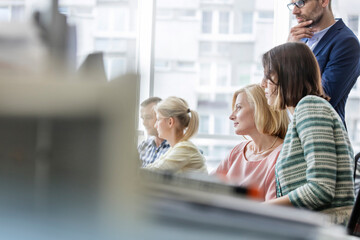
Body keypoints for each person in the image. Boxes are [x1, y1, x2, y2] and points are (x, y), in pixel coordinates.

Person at [261, 42, 355, 225]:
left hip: (326, 228)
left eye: (268, 75)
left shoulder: (309, 107)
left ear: (288, 74)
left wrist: (261, 209)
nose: (262, 83)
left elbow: (321, 188)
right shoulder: (304, 112)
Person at [287, 0, 360, 127]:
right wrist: (288, 49)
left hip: (320, 136)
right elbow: (271, 84)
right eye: (292, 4)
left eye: (300, 2)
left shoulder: (346, 43)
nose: (294, 11)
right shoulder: (298, 38)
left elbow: (321, 101)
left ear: (324, 1)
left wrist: (292, 54)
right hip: (290, 133)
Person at [213, 84, 288, 201]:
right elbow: (207, 187)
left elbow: (272, 212)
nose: (231, 116)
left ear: (260, 109)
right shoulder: (237, 151)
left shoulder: (282, 155)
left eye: (238, 107)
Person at [145, 96, 207, 174]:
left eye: (158, 119)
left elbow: (152, 172)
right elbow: (151, 167)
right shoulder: (176, 147)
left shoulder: (185, 149)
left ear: (170, 122)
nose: (155, 125)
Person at [138, 97, 170, 167]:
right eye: (142, 118)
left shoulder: (175, 149)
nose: (144, 123)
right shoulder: (143, 146)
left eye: (148, 117)